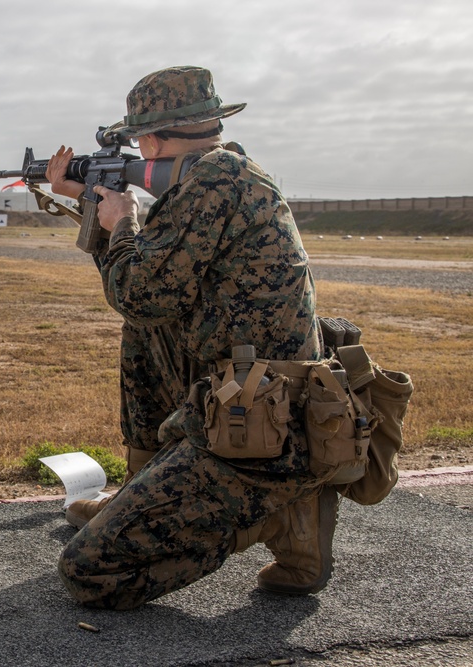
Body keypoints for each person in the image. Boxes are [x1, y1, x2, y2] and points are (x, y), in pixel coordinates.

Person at [45, 65, 335, 609]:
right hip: (248, 395)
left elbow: (139, 291)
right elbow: (148, 295)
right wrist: (98, 207)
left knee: (90, 572)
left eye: (139, 143)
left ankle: (276, 515)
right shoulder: (221, 174)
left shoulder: (211, 182)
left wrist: (121, 221)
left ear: (151, 138)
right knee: (142, 334)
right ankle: (142, 492)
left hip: (254, 425)